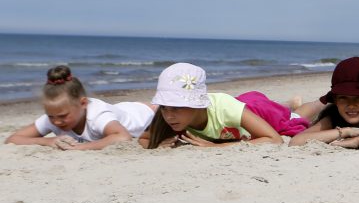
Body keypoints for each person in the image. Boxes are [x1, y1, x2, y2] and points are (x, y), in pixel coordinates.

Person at [140, 63, 310, 148]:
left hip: (260, 111)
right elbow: (144, 139)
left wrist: (217, 147)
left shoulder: (224, 108)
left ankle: (314, 102)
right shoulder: (171, 118)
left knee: (296, 116)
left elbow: (274, 139)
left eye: (176, 107)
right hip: (238, 108)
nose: (169, 115)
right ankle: (289, 103)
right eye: (164, 107)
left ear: (197, 104)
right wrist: (161, 144)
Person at [5, 65, 154, 150]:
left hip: (145, 114)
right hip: (120, 110)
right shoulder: (54, 116)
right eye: (51, 116)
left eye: (63, 116)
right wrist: (47, 141)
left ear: (83, 104)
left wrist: (79, 149)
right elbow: (13, 139)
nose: (56, 122)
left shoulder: (98, 115)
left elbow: (123, 137)